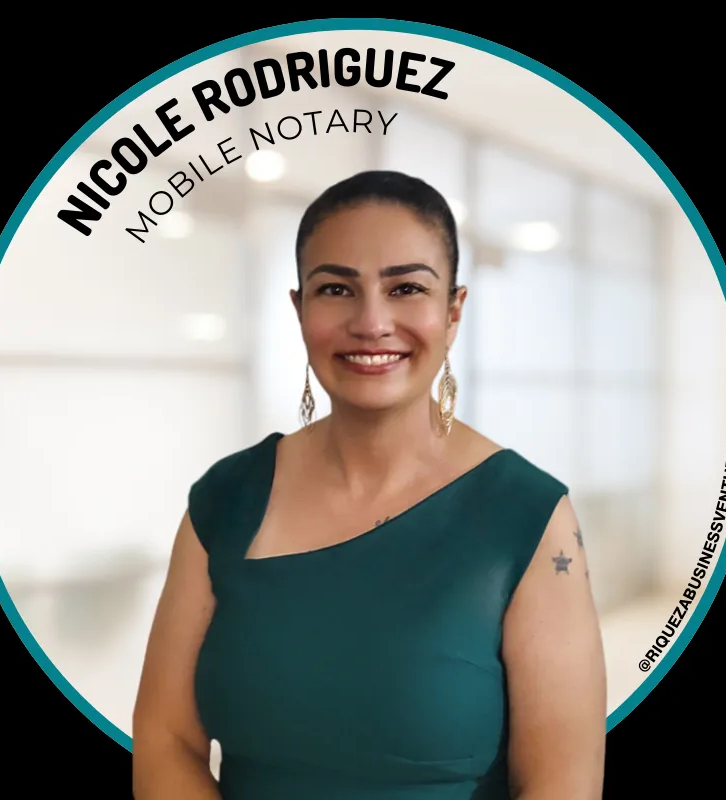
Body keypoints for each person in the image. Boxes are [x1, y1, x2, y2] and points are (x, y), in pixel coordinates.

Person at [132, 170, 607, 799]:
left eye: (406, 287)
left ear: (453, 310)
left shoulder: (529, 514)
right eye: (336, 289)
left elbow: (562, 785)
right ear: (300, 309)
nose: (372, 322)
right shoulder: (225, 500)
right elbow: (165, 740)